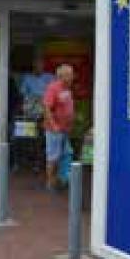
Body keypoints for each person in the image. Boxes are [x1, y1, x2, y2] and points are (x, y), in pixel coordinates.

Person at [41, 62, 78, 190]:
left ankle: (62, 179)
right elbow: (46, 108)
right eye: (70, 75)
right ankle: (50, 183)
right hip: (54, 130)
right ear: (62, 76)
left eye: (72, 74)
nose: (72, 77)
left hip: (65, 130)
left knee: (67, 154)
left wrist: (70, 122)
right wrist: (54, 125)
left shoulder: (67, 89)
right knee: (53, 157)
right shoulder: (53, 88)